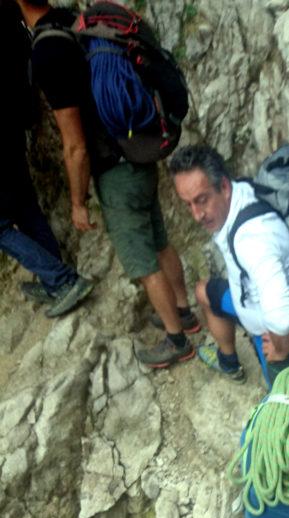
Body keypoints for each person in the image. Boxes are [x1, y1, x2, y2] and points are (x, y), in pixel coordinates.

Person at [17, 0, 199, 367]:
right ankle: (184, 313)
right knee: (160, 241)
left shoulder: (48, 50)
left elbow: (75, 147)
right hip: (137, 149)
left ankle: (176, 341)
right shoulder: (74, 20)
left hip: (114, 170)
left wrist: (78, 202)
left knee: (142, 262)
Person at [169, 144, 289, 388]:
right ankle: (228, 361)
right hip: (253, 302)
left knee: (279, 404)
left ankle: (274, 382)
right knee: (204, 292)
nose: (197, 214)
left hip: (278, 331)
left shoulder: (252, 241)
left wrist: (280, 350)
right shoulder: (242, 193)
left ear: (223, 186)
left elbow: (282, 320)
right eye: (188, 204)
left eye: (201, 200)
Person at [0, 1, 93, 317]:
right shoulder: (11, 16)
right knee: (25, 207)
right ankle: (55, 276)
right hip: (13, 127)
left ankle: (63, 280)